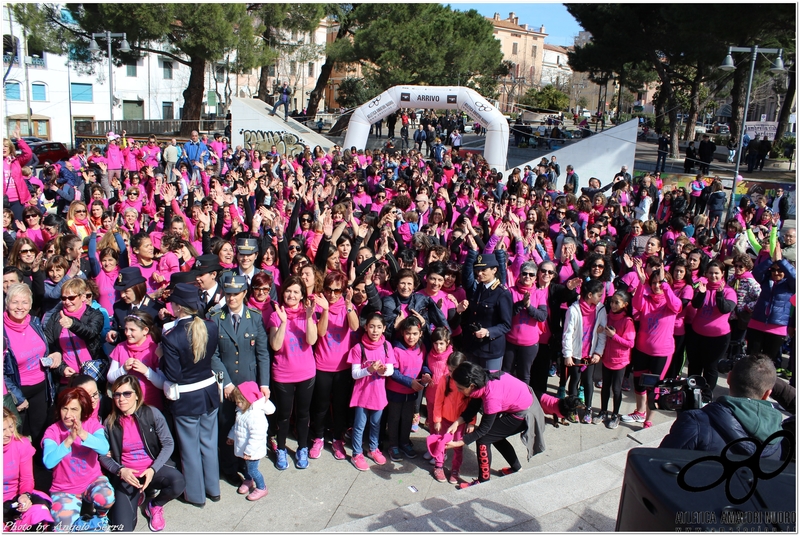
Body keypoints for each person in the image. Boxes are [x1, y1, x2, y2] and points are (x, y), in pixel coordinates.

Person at [160, 283, 220, 508]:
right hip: (208, 393)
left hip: (186, 399)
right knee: (209, 443)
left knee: (190, 449)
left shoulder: (171, 336)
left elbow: (173, 375)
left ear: (177, 307)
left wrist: (160, 357)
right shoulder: (210, 327)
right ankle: (213, 489)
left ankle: (196, 495)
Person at [100, 375, 185, 532]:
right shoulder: (109, 423)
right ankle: (137, 496)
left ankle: (154, 506)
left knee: (178, 482)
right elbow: (103, 456)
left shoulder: (152, 414)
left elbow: (168, 443)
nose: (121, 399)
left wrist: (153, 469)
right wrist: (120, 471)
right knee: (123, 528)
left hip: (151, 470)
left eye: (127, 394)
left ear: (137, 394)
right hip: (127, 475)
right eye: (117, 394)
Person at [660, 354, 785, 459]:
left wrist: (686, 420)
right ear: (767, 394)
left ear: (728, 378)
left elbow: (659, 464)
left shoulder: (695, 422)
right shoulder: (779, 438)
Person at [444, 361, 545, 489]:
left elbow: (483, 429)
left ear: (471, 385)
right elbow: (473, 405)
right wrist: (457, 423)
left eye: (460, 388)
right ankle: (516, 468)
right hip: (520, 401)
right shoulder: (483, 377)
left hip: (525, 413)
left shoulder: (492, 397)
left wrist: (460, 442)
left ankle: (483, 481)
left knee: (483, 439)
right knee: (495, 436)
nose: (458, 391)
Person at [210, 274, 270, 486]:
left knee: (248, 429)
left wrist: (264, 384)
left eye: (236, 294)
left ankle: (248, 469)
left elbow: (262, 353)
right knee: (227, 426)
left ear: (244, 294)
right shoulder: (216, 318)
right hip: (227, 386)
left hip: (250, 385)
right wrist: (225, 383)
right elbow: (213, 355)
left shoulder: (254, 317)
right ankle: (229, 468)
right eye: (228, 294)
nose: (232, 298)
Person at [43, 387, 114, 531]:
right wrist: (68, 440)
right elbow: (48, 462)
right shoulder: (53, 431)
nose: (68, 415)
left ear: (82, 409)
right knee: (62, 528)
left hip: (91, 481)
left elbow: (103, 448)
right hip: (64, 489)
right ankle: (80, 525)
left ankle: (100, 517)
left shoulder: (92, 425)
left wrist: (82, 433)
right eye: (65, 408)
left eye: (74, 409)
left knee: (106, 498)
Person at [267, 275, 318, 470]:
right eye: (289, 290)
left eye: (296, 291)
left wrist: (308, 318)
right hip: (283, 374)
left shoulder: (308, 312)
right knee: (283, 415)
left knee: (303, 414)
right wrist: (283, 323)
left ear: (302, 295)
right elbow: (276, 345)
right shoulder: (276, 314)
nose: (292, 294)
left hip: (306, 373)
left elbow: (312, 341)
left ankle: (302, 448)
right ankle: (281, 449)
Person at [3, 283, 57, 456]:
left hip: (41, 388)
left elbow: (41, 351)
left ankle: (40, 474)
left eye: (24, 302)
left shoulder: (34, 322)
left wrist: (55, 357)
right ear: (6, 303)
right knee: (17, 437)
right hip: (17, 393)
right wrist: (18, 398)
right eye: (15, 302)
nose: (20, 307)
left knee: (40, 432)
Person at [309, 271, 358, 461]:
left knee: (340, 407)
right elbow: (321, 333)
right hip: (322, 365)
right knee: (320, 406)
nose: (332, 294)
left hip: (343, 367)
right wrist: (326, 310)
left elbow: (354, 327)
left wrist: (348, 306)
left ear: (343, 291)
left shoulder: (348, 306)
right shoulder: (319, 305)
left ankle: (338, 439)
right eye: (329, 289)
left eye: (337, 291)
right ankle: (319, 438)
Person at [347, 311, 396, 471]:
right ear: (366, 327)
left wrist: (382, 371)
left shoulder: (387, 346)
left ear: (384, 328)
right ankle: (357, 453)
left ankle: (373, 449)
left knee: (376, 424)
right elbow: (355, 374)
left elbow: (390, 370)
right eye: (372, 327)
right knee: (359, 425)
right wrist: (368, 369)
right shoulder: (358, 348)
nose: (375, 331)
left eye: (379, 327)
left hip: (379, 394)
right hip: (362, 394)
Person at [686, 261, 737, 391]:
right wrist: (701, 293)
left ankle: (706, 395)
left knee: (710, 367)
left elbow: (725, 309)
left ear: (722, 274)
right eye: (710, 273)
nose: (713, 276)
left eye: (716, 273)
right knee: (695, 366)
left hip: (718, 338)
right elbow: (696, 305)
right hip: (697, 334)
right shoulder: (702, 287)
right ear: (706, 273)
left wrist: (719, 295)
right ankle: (692, 392)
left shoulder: (728, 291)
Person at [386, 316, 431, 462]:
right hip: (396, 391)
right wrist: (410, 382)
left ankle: (404, 442)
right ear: (402, 333)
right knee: (394, 418)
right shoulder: (396, 348)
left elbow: (424, 364)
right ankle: (393, 445)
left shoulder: (422, 347)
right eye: (407, 333)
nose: (411, 337)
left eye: (414, 334)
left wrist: (426, 373)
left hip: (412, 392)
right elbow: (394, 372)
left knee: (407, 418)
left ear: (420, 334)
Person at [562, 279, 608, 423]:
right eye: (599, 295)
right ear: (589, 295)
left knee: (588, 381)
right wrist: (568, 354)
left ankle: (588, 408)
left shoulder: (600, 309)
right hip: (576, 353)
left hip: (590, 353)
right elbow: (568, 333)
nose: (601, 298)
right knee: (574, 380)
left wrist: (598, 352)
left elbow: (602, 334)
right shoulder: (574, 309)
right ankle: (572, 409)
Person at [3, 408, 54, 531]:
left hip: (15, 498)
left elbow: (27, 479)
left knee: (39, 513)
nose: (9, 433)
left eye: (11, 427)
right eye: (3, 429)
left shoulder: (22, 444)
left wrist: (25, 495)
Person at [460, 251, 513, 371]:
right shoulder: (479, 287)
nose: (480, 273)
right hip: (473, 346)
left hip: (490, 348)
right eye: (478, 270)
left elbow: (506, 325)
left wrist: (488, 331)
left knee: (490, 383)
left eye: (484, 270)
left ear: (494, 270)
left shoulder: (502, 293)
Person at [746, 243, 795, 369]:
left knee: (768, 364)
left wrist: (781, 261)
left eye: (780, 270)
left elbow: (795, 278)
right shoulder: (765, 280)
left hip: (777, 328)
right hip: (757, 323)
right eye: (773, 269)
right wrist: (771, 260)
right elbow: (756, 271)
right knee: (751, 360)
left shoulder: (790, 284)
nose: (776, 273)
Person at [426, 351, 471, 484]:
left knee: (458, 447)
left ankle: (455, 469)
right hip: (445, 419)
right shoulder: (444, 380)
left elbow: (471, 406)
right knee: (441, 443)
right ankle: (438, 465)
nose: (452, 374)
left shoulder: (468, 383)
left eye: (455, 371)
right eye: (450, 370)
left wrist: (471, 422)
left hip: (460, 422)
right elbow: (438, 401)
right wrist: (437, 419)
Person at [226, 381, 271, 501]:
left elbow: (256, 436)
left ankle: (261, 487)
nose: (237, 404)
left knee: (253, 469)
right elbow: (236, 427)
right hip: (243, 447)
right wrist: (231, 437)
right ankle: (248, 480)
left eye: (239, 401)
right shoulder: (242, 412)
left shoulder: (255, 416)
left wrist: (249, 451)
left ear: (248, 400)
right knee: (246, 467)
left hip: (252, 451)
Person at [598, 290, 635, 428]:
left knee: (616, 389)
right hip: (607, 359)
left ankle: (615, 415)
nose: (613, 305)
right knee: (605, 387)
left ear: (625, 304)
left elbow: (630, 343)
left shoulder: (627, 321)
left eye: (616, 302)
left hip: (620, 362)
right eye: (612, 302)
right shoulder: (608, 317)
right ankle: (603, 411)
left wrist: (614, 336)